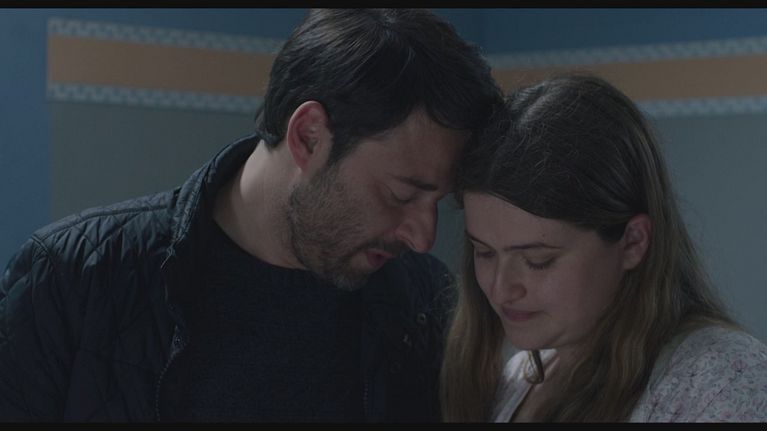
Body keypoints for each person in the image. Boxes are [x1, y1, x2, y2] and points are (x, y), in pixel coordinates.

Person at [0, 9, 503, 422]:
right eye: (402, 194)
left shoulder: (424, 304)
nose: (423, 237)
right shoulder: (70, 279)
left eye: (439, 202)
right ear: (309, 136)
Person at [439, 74, 767, 422]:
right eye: (484, 252)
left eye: (538, 260)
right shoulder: (517, 379)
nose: (500, 289)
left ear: (633, 242)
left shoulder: (721, 382)